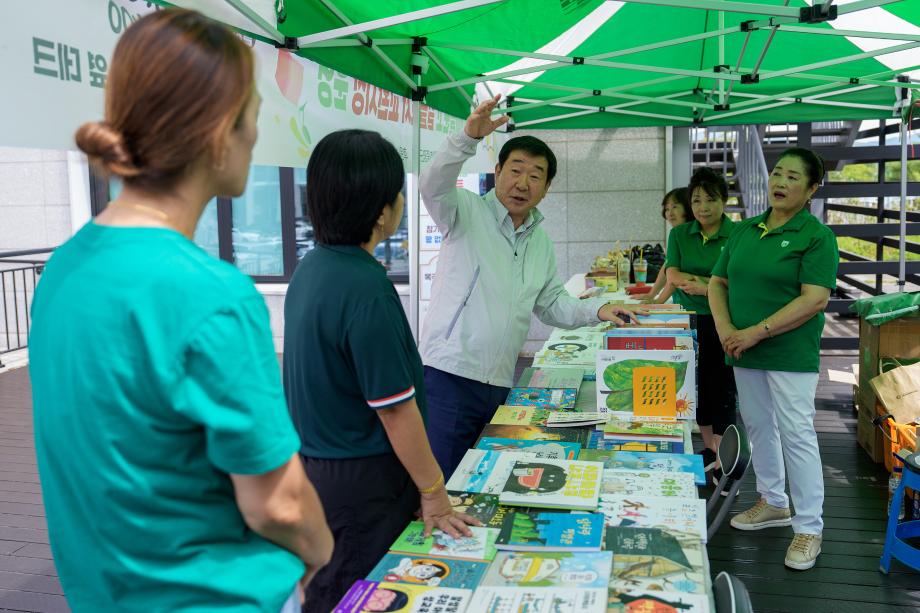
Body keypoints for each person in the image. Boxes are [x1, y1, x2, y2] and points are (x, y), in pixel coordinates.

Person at [28, 10, 332, 613]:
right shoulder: (211, 295)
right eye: (252, 112)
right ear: (221, 130)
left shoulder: (63, 268)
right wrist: (320, 551)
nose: (256, 131)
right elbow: (278, 503)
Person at [283, 129, 480, 612]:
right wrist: (434, 491)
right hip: (361, 484)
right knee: (358, 595)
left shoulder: (313, 267)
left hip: (319, 472)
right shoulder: (366, 288)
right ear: (382, 211)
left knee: (329, 588)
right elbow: (395, 411)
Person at [420, 95, 638, 478]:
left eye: (535, 175)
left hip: (501, 380)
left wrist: (598, 310)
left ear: (547, 187)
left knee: (483, 477)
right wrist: (466, 138)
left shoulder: (540, 240)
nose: (523, 183)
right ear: (498, 170)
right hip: (448, 376)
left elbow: (552, 302)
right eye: (515, 170)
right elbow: (432, 185)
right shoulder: (464, 212)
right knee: (440, 480)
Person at [709, 148, 838, 570]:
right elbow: (717, 283)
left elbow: (814, 299)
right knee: (760, 426)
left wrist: (755, 331)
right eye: (777, 173)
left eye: (793, 177)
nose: (780, 182)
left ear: (812, 188)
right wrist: (727, 329)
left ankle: (809, 528)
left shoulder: (816, 236)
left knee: (796, 433)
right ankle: (773, 501)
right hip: (743, 350)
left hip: (788, 354)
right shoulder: (746, 230)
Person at [664, 168, 736, 476]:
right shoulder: (680, 234)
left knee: (722, 388)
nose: (703, 207)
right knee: (695, 387)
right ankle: (708, 448)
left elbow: (740, 281)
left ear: (724, 200)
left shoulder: (738, 234)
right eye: (696, 200)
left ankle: (724, 455)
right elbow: (673, 274)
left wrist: (707, 286)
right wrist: (708, 282)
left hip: (724, 320)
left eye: (710, 199)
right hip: (687, 321)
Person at [642, 187, 693, 304]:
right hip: (682, 301)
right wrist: (651, 295)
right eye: (667, 209)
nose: (670, 213)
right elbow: (667, 267)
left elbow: (674, 277)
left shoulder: (688, 235)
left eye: (675, 207)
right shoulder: (677, 234)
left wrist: (658, 301)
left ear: (688, 207)